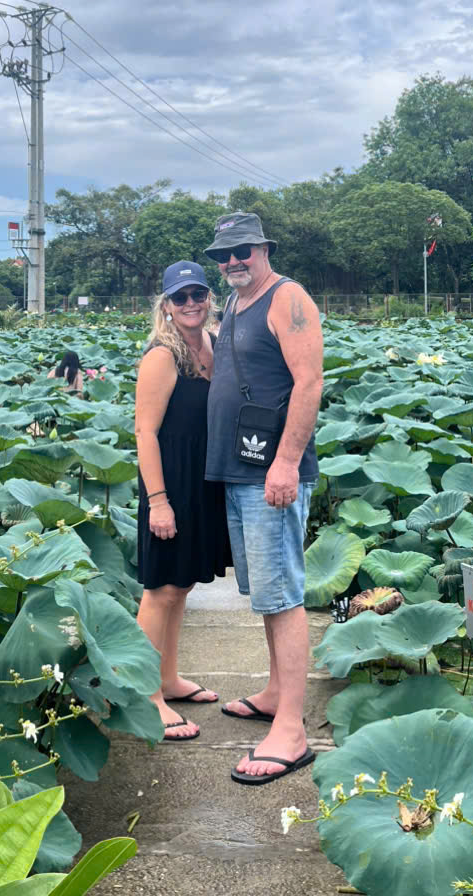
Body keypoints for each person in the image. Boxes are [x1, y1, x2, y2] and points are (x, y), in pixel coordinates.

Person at [204, 212, 324, 785]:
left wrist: (285, 461)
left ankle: (293, 731)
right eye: (224, 255)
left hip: (271, 472)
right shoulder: (233, 303)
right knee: (264, 593)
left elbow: (309, 382)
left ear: (264, 249)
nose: (232, 262)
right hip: (240, 468)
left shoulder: (287, 298)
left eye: (242, 251)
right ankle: (277, 692)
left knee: (283, 596)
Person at [134, 261, 233, 741]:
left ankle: (168, 678)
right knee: (160, 589)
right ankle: (145, 696)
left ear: (208, 297)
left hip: (202, 480)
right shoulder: (162, 355)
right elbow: (145, 432)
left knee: (183, 587)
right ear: (166, 306)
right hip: (169, 483)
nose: (191, 304)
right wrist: (158, 501)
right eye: (180, 297)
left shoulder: (212, 345)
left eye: (198, 294)